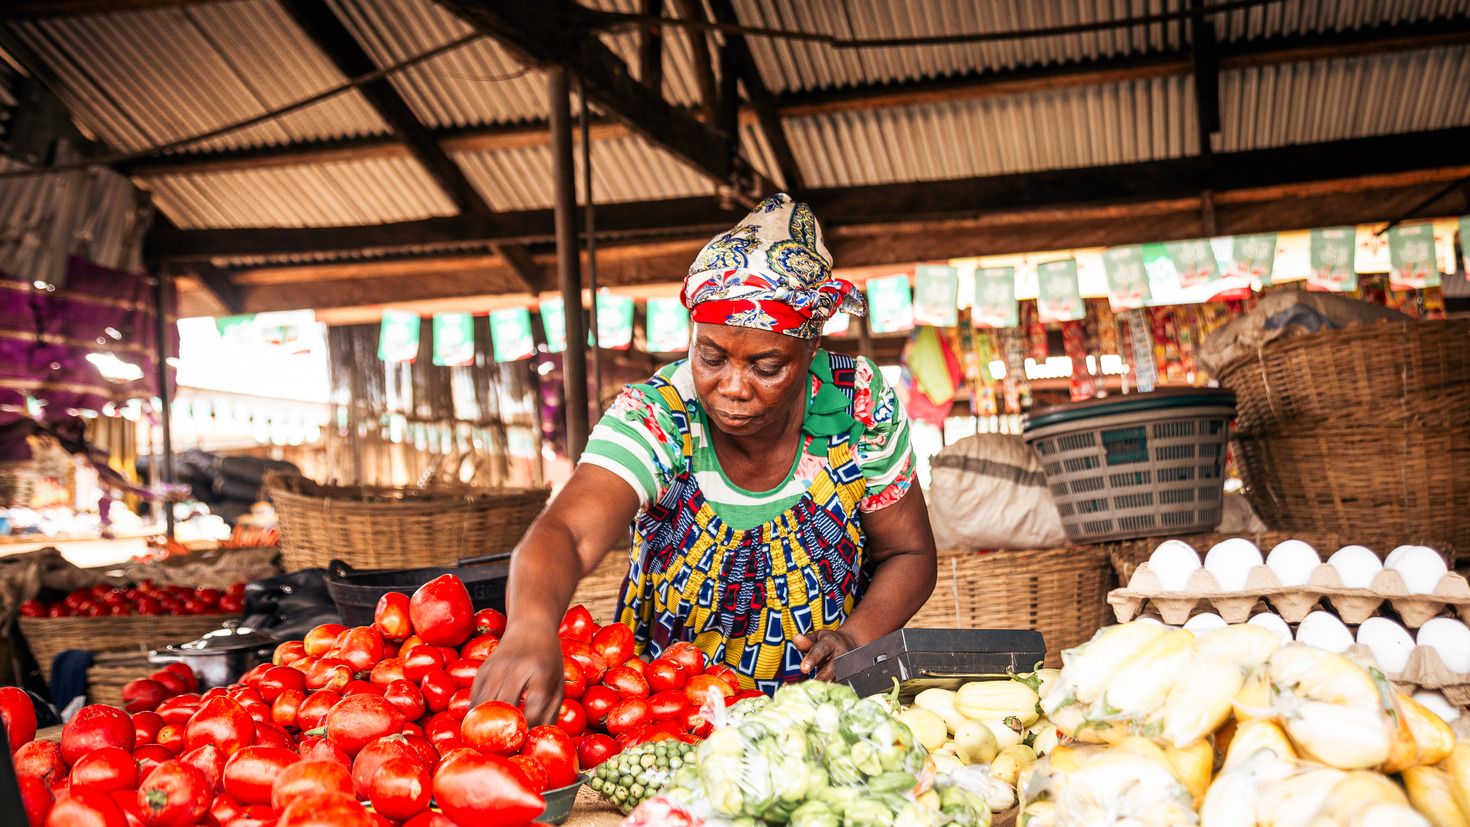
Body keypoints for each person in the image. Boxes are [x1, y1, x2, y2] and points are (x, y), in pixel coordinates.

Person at [472, 193, 937, 724]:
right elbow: (568, 533)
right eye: (711, 357)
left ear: (810, 348)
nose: (732, 387)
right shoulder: (660, 413)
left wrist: (854, 637)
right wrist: (530, 627)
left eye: (766, 366)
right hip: (664, 720)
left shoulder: (858, 405)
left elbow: (910, 554)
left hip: (824, 720)